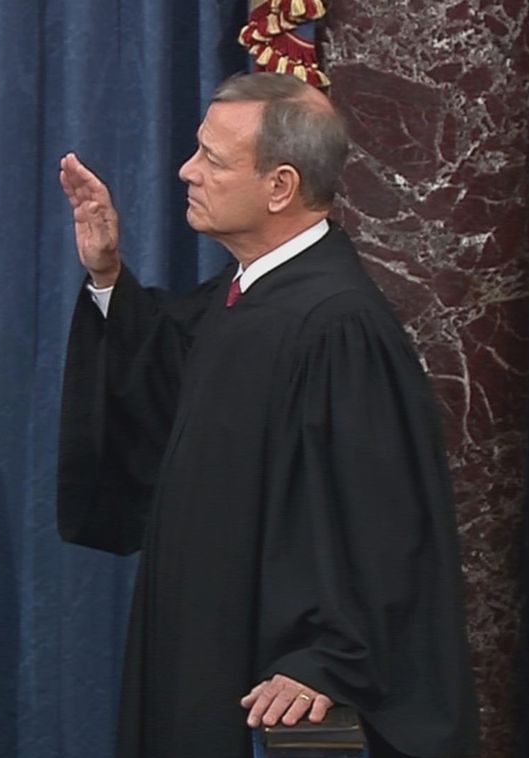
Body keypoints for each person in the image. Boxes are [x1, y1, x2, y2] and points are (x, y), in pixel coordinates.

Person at [54, 72, 480, 758]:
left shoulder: (336, 325)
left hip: (273, 682)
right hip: (205, 633)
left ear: (280, 186)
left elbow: (382, 517)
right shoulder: (247, 290)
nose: (184, 171)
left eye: (211, 160)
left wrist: (327, 657)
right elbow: (165, 372)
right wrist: (107, 274)